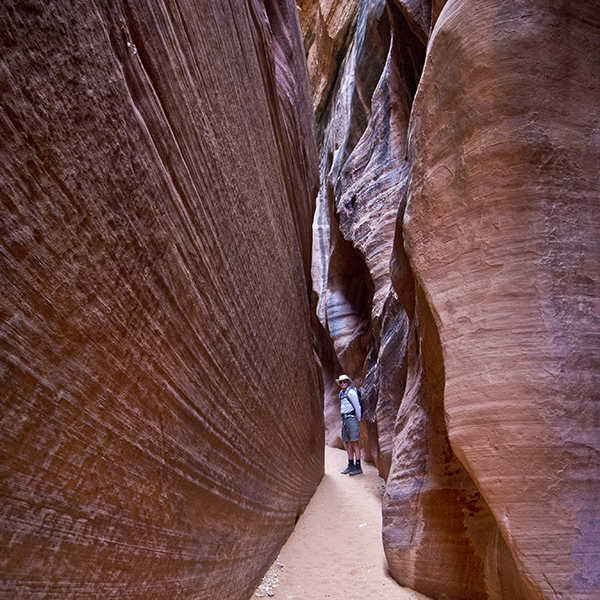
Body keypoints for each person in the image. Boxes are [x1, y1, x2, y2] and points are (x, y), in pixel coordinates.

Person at [336, 374, 362, 475]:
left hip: (352, 419)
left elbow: (357, 406)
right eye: (341, 382)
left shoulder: (351, 392)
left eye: (344, 382)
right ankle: (350, 465)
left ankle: (358, 466)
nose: (343, 383)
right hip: (344, 419)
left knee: (354, 442)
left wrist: (358, 419)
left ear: (348, 382)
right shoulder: (341, 394)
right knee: (347, 443)